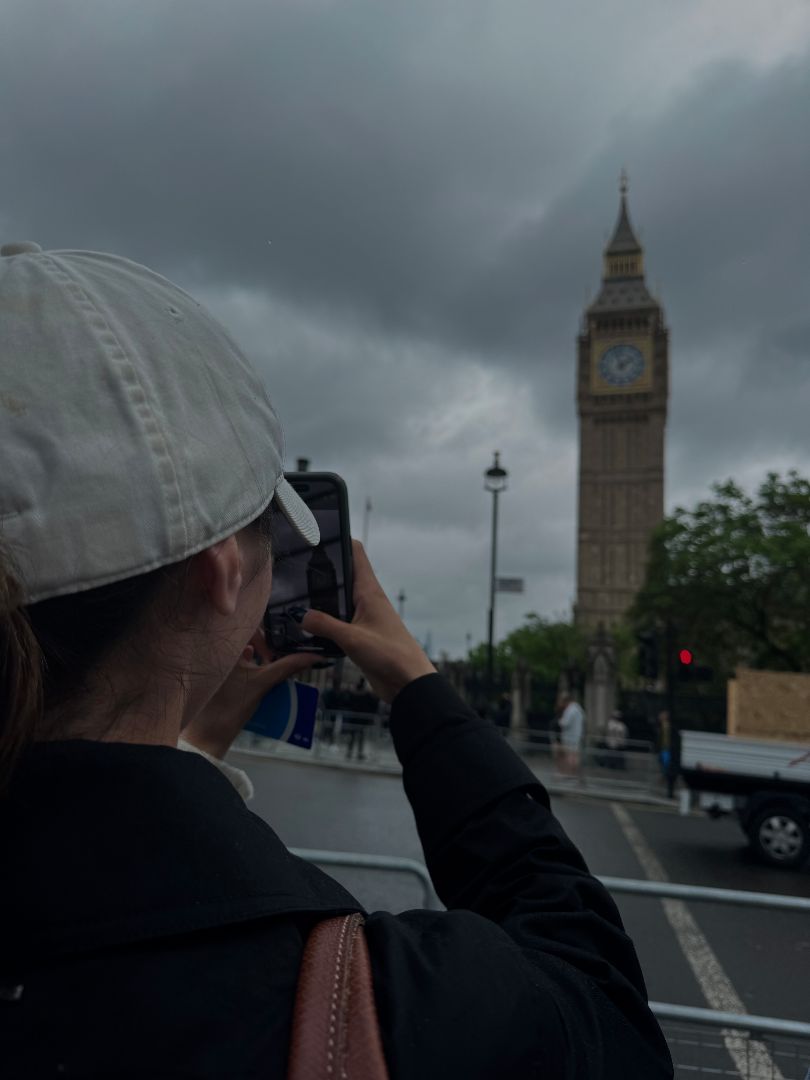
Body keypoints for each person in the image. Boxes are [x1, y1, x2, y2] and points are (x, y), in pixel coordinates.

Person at [0, 242, 672, 1078]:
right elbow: (600, 1002)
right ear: (223, 572)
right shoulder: (398, 1016)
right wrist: (422, 695)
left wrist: (185, 745)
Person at [557, 691, 586, 779]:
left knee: (569, 757)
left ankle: (569, 774)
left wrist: (560, 721)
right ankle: (574, 774)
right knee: (575, 756)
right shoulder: (578, 708)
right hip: (577, 736)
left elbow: (565, 723)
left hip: (569, 737)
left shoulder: (570, 710)